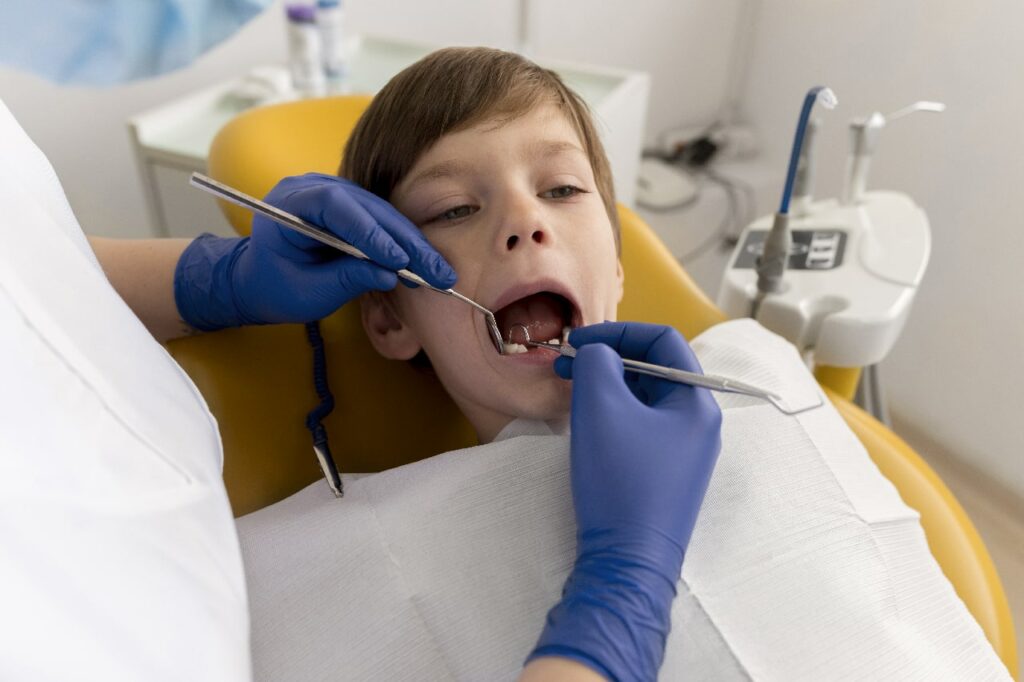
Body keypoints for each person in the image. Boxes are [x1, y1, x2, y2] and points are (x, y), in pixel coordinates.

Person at [0, 6, 721, 681]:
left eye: (562, 189)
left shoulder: (755, 371)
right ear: (390, 319)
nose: (525, 221)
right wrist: (620, 599)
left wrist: (216, 280)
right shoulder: (327, 567)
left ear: (620, 270)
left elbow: (26, 261)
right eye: (454, 208)